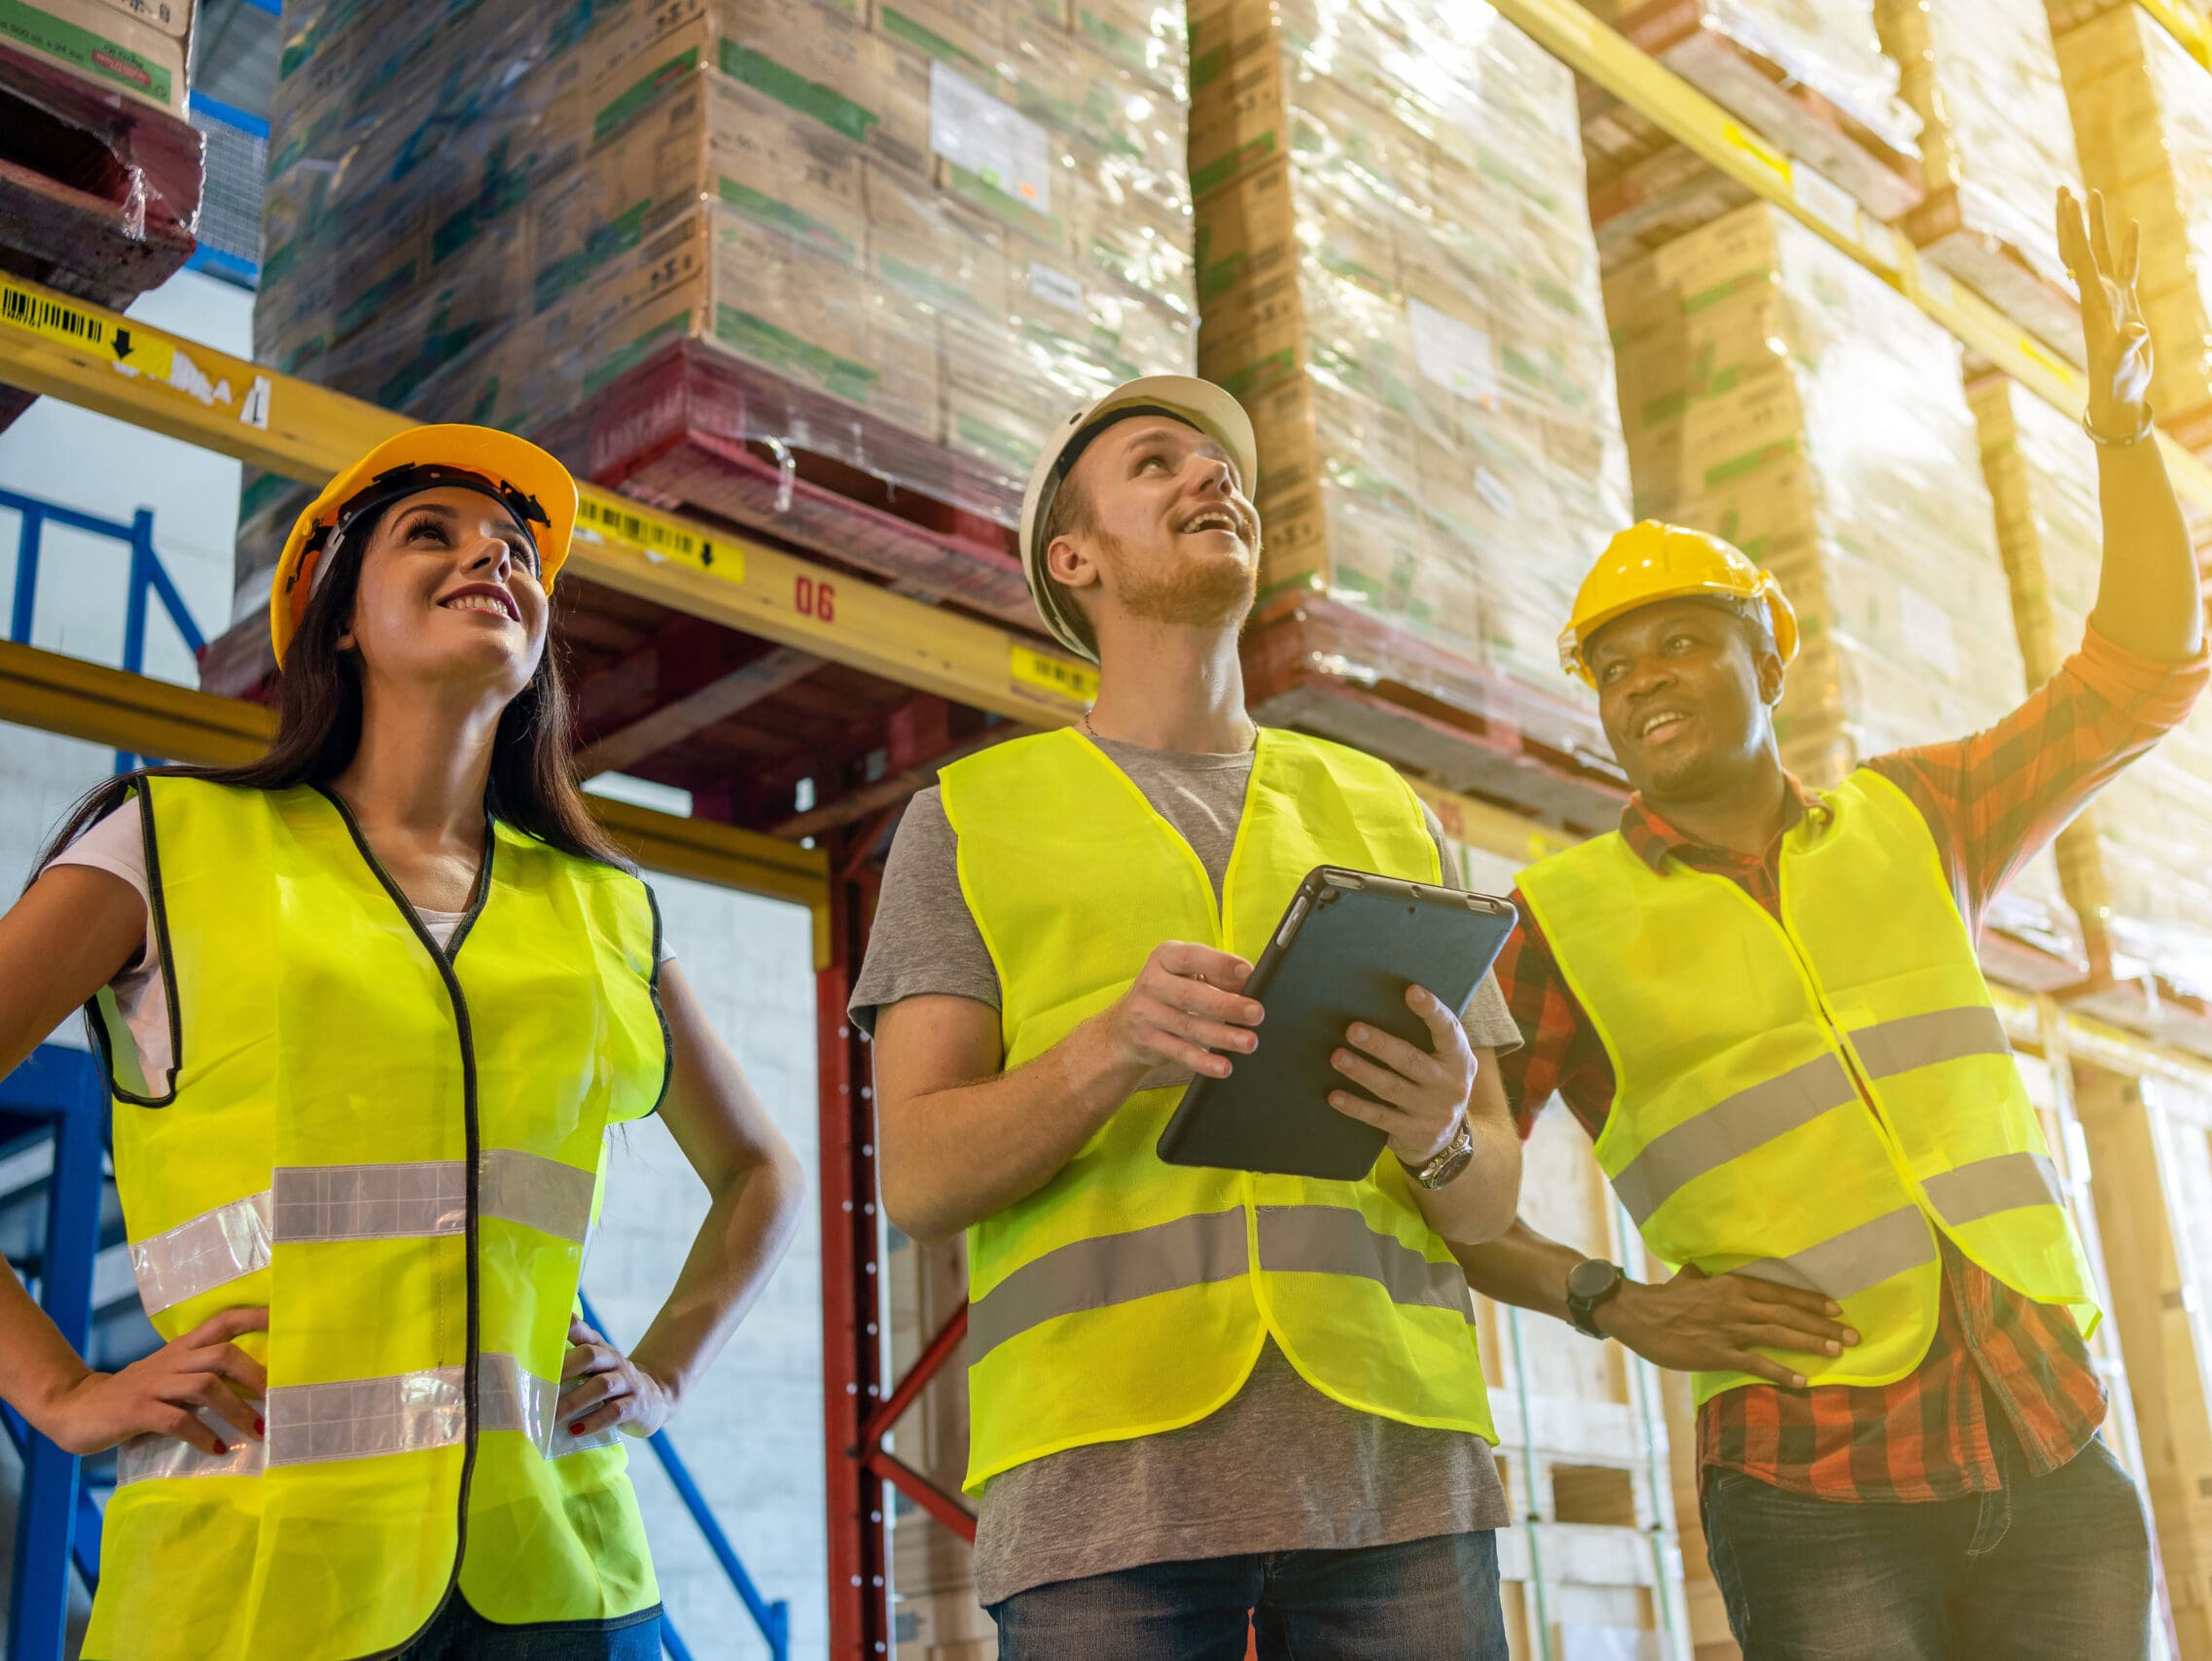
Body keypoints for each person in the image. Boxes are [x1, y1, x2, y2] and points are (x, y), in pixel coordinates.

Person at [1450, 188, 2195, 1660]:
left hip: (2047, 1438)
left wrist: (2123, 437)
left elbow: (2139, 682)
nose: (1644, 679)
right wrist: (1611, 1305)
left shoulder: (1913, 817)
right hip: (1816, 1484)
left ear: (1766, 664)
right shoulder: (1556, 920)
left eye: (1682, 643)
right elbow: (1449, 1187)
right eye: (1612, 668)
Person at [0, 424, 805, 1660]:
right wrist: (58, 1391)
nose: (490, 558)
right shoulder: (165, 842)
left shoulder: (602, 907)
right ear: (336, 618)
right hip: (261, 1586)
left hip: (560, 1578)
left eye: (517, 554)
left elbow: (763, 1171)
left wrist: (666, 1376)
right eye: (430, 534)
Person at [859, 375, 1524, 1659]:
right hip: (1104, 1487)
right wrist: (1111, 1051)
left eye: (1222, 468)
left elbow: (1488, 1194)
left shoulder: (1393, 817)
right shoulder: (970, 820)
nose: (1213, 479)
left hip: (1400, 1469)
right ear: (1076, 555)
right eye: (1159, 464)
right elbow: (925, 1178)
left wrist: (1444, 1134)